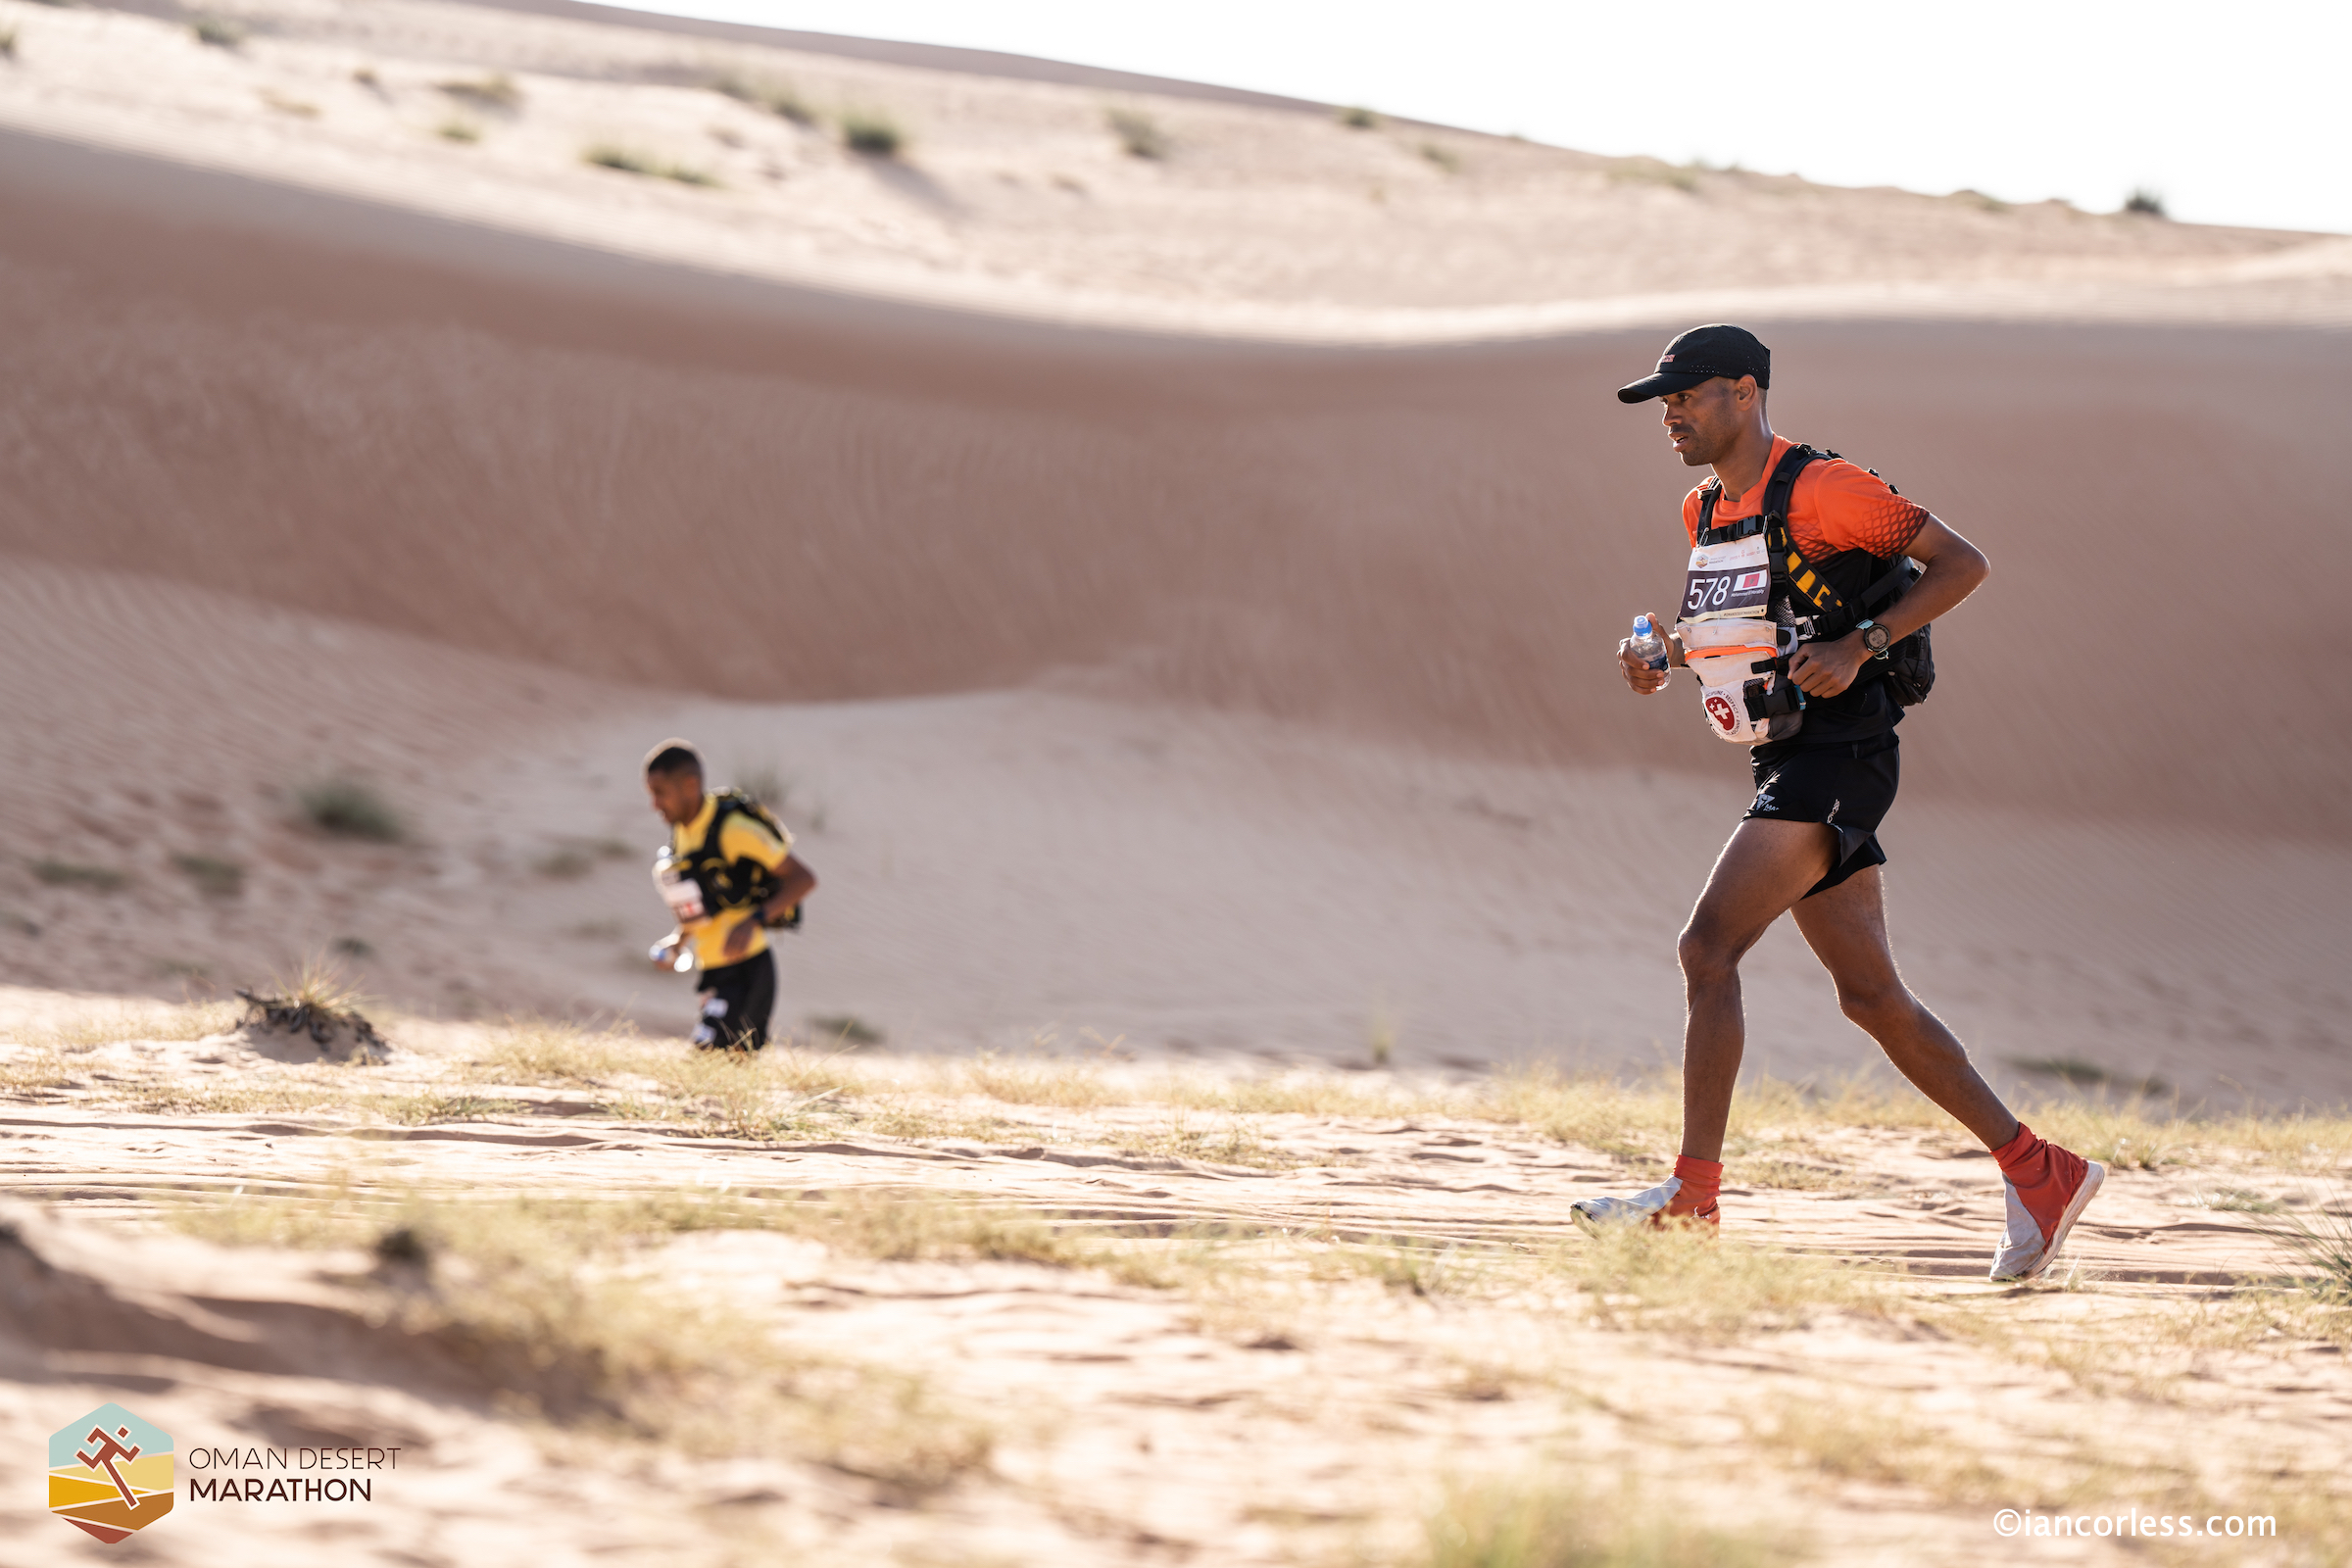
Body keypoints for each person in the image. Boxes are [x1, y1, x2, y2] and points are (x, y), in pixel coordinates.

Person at [1578, 323, 2102, 1283]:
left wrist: (1864, 643)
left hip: (1842, 756)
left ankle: (1693, 1200)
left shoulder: (1826, 487)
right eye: (1664, 402)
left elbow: (1963, 563)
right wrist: (1666, 655)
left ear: (1745, 391)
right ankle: (2043, 1173)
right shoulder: (1704, 510)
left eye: (1685, 395)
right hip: (1784, 756)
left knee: (1707, 950)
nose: (1670, 415)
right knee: (1871, 997)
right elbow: (1742, 628)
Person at [642, 740, 817, 1053]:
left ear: (690, 785)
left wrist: (754, 920)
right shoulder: (682, 831)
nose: (655, 804)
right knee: (730, 1064)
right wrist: (679, 941)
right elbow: (705, 903)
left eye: (660, 793)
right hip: (713, 969)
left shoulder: (733, 829)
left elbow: (803, 878)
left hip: (747, 969)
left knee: (710, 1059)